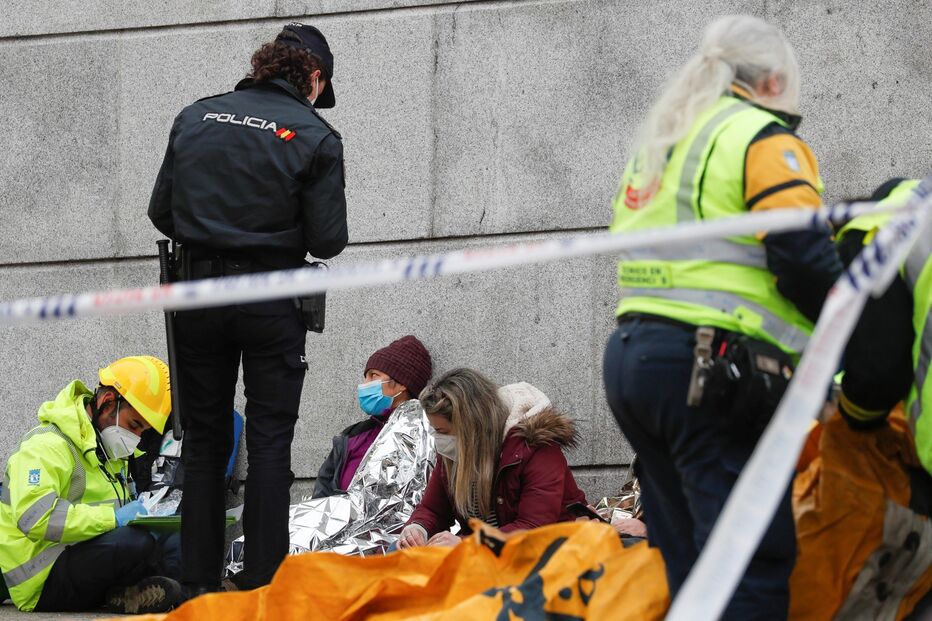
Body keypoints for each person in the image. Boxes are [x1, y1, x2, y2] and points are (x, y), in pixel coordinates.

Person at [602, 15, 843, 619]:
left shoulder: (662, 143)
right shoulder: (761, 139)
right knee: (749, 563)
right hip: (712, 367)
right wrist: (854, 345)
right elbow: (804, 259)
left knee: (690, 567)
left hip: (636, 362)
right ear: (772, 81)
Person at [147, 22, 348, 594]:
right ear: (313, 77)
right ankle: (263, 589)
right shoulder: (316, 135)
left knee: (206, 442)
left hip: (198, 296)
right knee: (267, 444)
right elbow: (328, 239)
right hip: (269, 301)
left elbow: (163, 211)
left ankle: (198, 589)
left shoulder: (196, 117)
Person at [0, 356, 181, 614]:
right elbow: (34, 517)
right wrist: (113, 518)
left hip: (87, 558)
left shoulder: (108, 452)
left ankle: (171, 592)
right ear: (107, 403)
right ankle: (138, 591)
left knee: (178, 538)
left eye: (143, 431)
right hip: (43, 580)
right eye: (134, 425)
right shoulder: (46, 446)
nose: (137, 438)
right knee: (135, 542)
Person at [398, 370, 588, 549]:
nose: (437, 438)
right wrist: (417, 528)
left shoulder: (535, 447)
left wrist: (465, 545)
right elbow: (433, 509)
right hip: (485, 557)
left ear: (471, 429)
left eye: (442, 431)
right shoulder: (455, 450)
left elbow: (533, 528)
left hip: (551, 555)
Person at [313, 335, 433, 498]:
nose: (364, 384)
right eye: (365, 376)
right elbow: (322, 493)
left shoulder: (425, 437)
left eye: (373, 376)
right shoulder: (352, 436)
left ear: (402, 383)